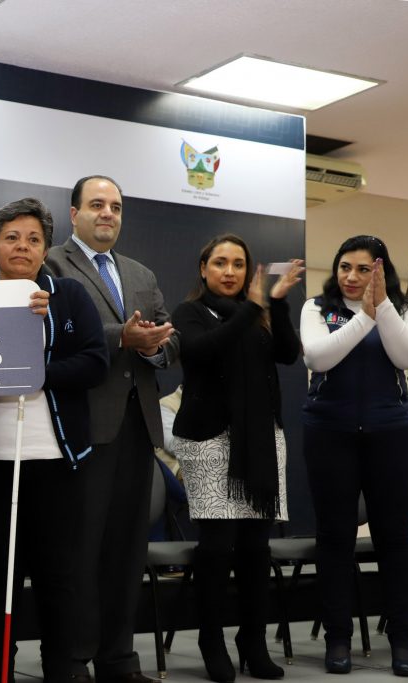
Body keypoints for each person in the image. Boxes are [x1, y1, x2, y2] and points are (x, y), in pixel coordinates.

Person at [44, 174, 178, 683]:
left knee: (127, 551)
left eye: (116, 206)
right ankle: (72, 661)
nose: (107, 213)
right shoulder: (52, 263)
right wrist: (122, 337)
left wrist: (156, 345)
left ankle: (119, 660)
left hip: (137, 429)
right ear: (74, 213)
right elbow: (57, 334)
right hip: (81, 429)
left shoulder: (140, 272)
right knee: (79, 551)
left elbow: (170, 337)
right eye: (97, 204)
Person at [0, 198, 109, 683]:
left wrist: (34, 371)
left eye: (34, 239)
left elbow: (95, 362)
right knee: (0, 578)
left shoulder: (67, 295)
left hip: (55, 459)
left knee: (58, 576)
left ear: (45, 250)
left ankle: (60, 671)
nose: (23, 247)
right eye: (11, 238)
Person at [170, 235, 303, 682]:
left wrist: (276, 304)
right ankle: (211, 642)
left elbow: (288, 353)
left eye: (239, 264)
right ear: (203, 268)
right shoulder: (190, 312)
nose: (230, 272)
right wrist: (252, 308)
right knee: (217, 547)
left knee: (254, 548)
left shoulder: (258, 313)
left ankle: (253, 641)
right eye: (220, 263)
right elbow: (204, 349)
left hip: (262, 440)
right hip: (209, 440)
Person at [300, 235, 408, 676]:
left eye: (363, 269)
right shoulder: (317, 308)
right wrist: (363, 317)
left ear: (381, 272)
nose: (351, 276)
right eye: (344, 267)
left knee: (395, 537)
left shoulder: (405, 310)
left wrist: (381, 307)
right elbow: (319, 357)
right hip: (329, 433)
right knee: (335, 538)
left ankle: (403, 636)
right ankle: (338, 637)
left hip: (391, 433)